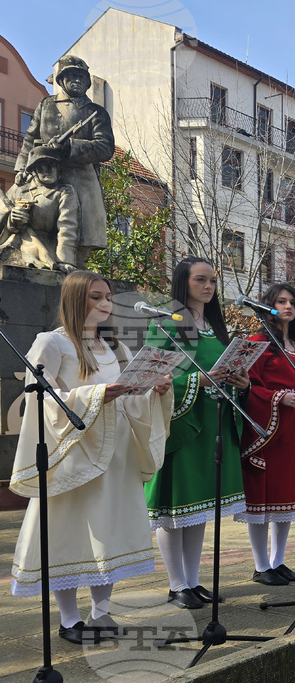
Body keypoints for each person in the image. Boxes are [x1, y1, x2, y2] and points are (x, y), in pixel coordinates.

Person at [9, 271, 171, 643]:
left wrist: (153, 391)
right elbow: (39, 397)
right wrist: (96, 395)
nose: (105, 304)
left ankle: (101, 613)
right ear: (74, 298)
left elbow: (130, 398)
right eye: (95, 296)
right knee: (65, 533)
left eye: (108, 297)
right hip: (72, 454)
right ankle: (70, 619)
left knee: (107, 532)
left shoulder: (116, 347)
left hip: (117, 453)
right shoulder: (51, 342)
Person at [144, 258, 251, 609]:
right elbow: (152, 376)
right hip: (181, 426)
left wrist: (241, 382)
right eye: (200, 280)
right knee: (175, 506)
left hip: (213, 424)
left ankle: (192, 581)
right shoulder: (166, 324)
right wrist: (197, 380)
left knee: (199, 509)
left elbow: (223, 370)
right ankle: (176, 585)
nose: (208, 287)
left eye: (212, 281)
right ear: (183, 282)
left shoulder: (216, 328)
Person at [237, 283, 295, 586]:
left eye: (292, 302)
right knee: (264, 499)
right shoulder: (257, 342)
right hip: (269, 430)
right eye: (281, 301)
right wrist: (279, 398)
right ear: (268, 306)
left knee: (288, 498)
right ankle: (261, 565)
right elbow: (248, 386)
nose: (288, 307)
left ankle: (278, 560)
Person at [16, 56, 115, 268]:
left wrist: (71, 146)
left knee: (82, 233)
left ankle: (76, 267)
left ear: (87, 83)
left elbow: (105, 148)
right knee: (26, 218)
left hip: (81, 178)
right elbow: (30, 138)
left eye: (81, 77)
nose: (77, 80)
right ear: (61, 80)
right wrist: (22, 168)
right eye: (71, 75)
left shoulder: (96, 112)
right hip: (44, 172)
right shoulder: (46, 105)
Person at [0, 144, 80, 271]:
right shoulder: (19, 190)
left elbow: (68, 228)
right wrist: (11, 220)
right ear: (33, 170)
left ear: (59, 170)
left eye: (53, 165)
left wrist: (65, 261)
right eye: (43, 165)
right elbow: (2, 217)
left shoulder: (64, 192)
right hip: (16, 245)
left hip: (46, 250)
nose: (49, 169)